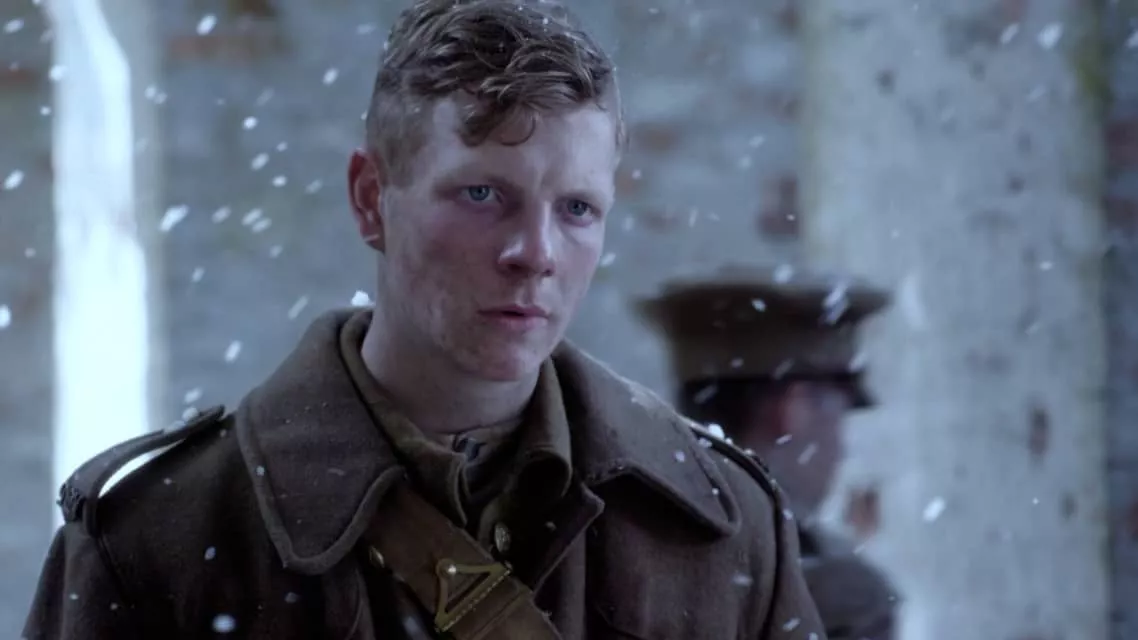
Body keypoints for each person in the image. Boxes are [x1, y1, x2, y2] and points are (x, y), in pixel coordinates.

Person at [22, 2, 826, 638]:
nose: (535, 252)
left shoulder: (720, 531)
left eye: (577, 209)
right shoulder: (158, 539)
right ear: (372, 199)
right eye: (483, 194)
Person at [636, 262, 901, 640]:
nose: (840, 449)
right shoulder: (837, 595)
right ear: (794, 408)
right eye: (837, 417)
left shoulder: (612, 539)